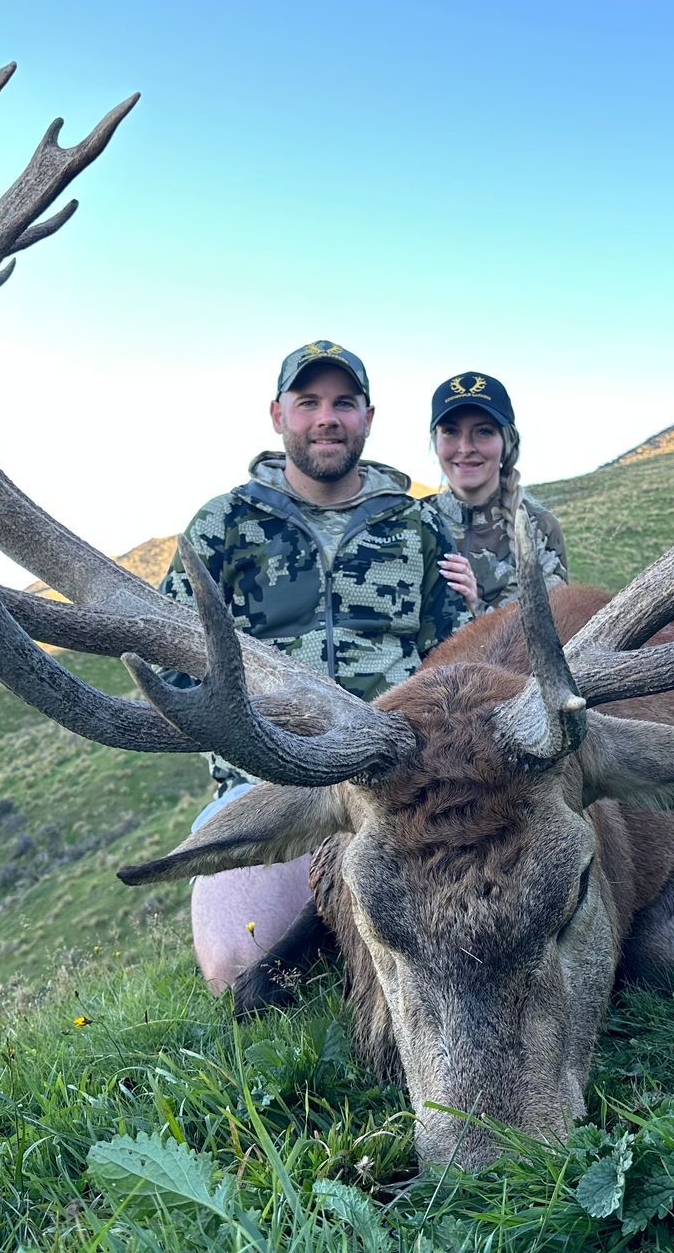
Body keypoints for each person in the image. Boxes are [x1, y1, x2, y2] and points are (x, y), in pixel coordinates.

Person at [158, 340, 470, 990]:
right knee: (237, 966)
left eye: (343, 403)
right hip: (270, 777)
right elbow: (172, 659)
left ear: (367, 417)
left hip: (401, 779)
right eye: (308, 403)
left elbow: (455, 658)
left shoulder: (416, 529)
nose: (326, 417)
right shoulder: (222, 528)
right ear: (278, 415)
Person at [424, 371, 568, 613]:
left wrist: (475, 608)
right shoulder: (413, 522)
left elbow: (557, 629)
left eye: (484, 431)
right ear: (435, 441)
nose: (465, 447)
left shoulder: (540, 528)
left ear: (508, 442)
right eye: (450, 431)